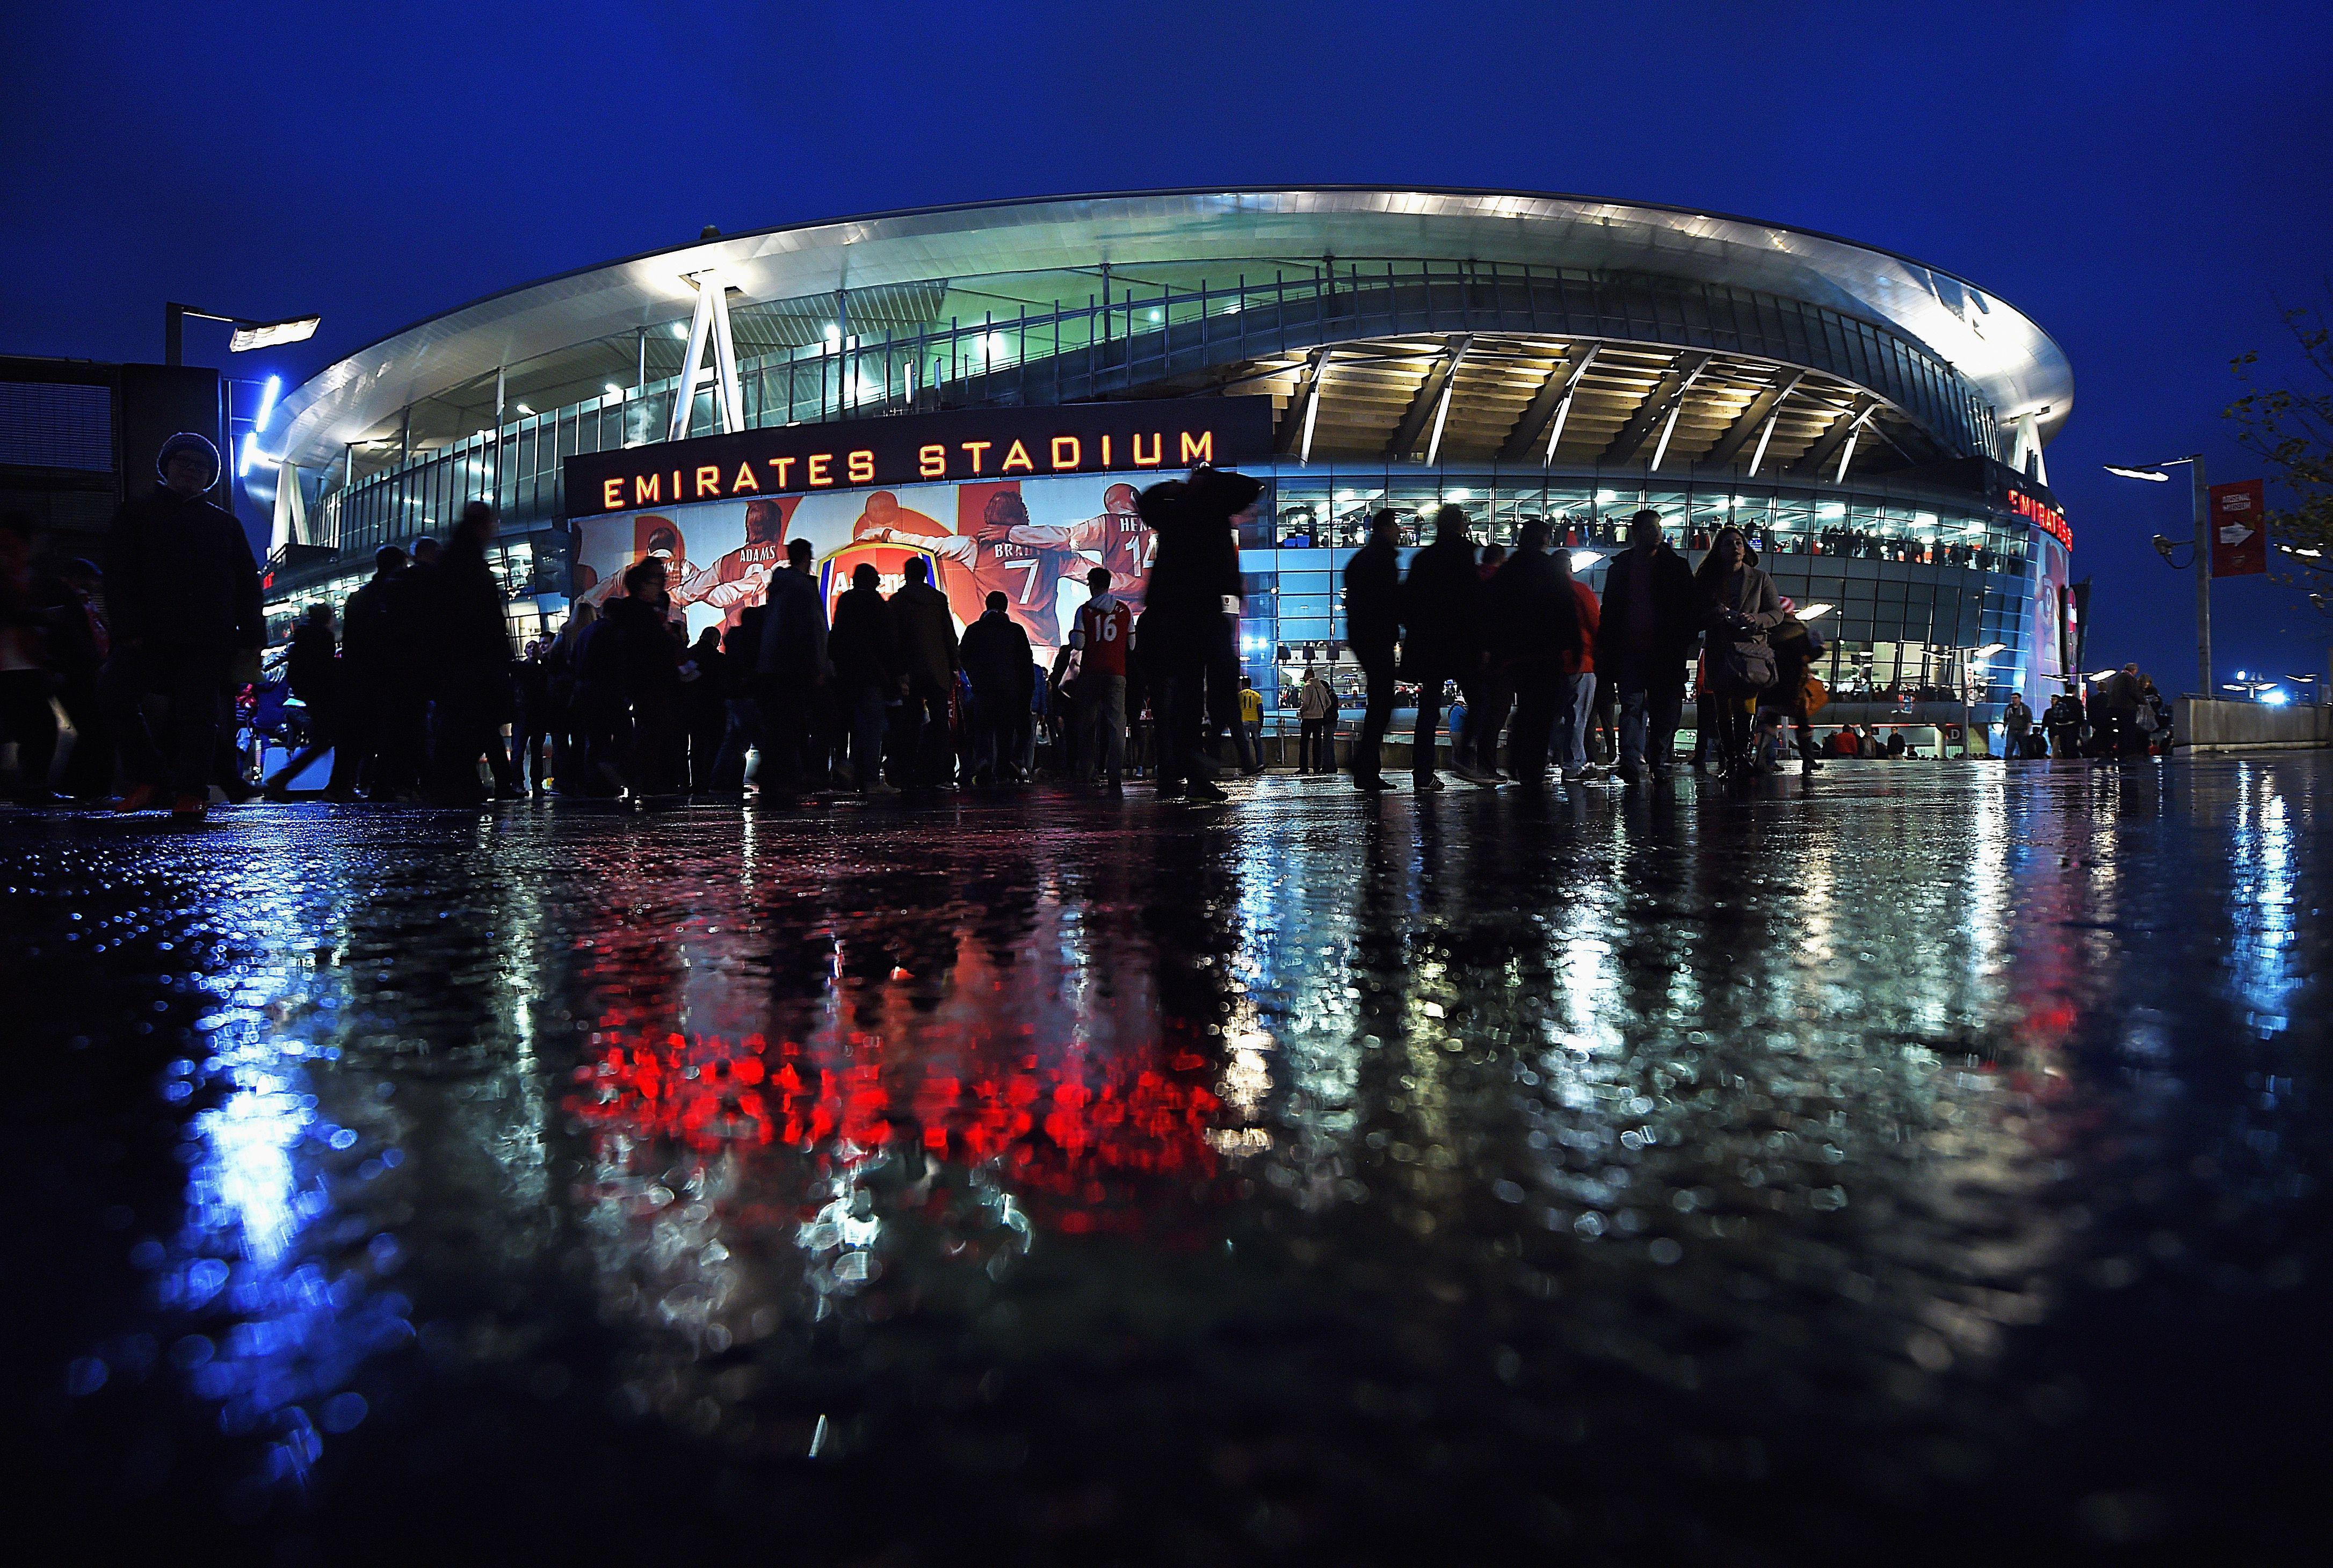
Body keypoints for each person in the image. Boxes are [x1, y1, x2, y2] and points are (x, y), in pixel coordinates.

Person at [102, 433, 264, 820]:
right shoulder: (138, 514)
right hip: (154, 634)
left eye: (201, 466)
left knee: (198, 714)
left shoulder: (223, 524)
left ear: (209, 476)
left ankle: (183, 788)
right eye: (185, 462)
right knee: (115, 693)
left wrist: (250, 641)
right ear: (167, 467)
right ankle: (161, 780)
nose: (192, 470)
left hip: (204, 638)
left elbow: (246, 587)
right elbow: (119, 575)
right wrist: (127, 629)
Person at [1138, 466, 1260, 802]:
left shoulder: (1178, 514)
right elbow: (1250, 489)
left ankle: (1187, 770)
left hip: (1177, 617)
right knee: (1209, 691)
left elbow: (1145, 502)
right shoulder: (1214, 518)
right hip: (1201, 616)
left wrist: (1178, 488)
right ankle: (1196, 769)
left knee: (1183, 698)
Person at [428, 501, 520, 804]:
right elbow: (485, 619)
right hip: (472, 661)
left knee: (464, 724)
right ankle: (456, 784)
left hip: (453, 661)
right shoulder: (470, 564)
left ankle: (456, 783)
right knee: (473, 724)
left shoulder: (451, 560)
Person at [1596, 509, 1698, 783]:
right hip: (1632, 651)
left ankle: (1656, 759)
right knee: (1633, 706)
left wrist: (1683, 641)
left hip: (1663, 652)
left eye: (1658, 528)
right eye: (1650, 528)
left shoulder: (1675, 567)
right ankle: (1633, 760)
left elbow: (1690, 609)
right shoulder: (1622, 569)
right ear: (1636, 533)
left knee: (1662, 709)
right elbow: (1610, 612)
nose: (1656, 533)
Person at [1482, 518, 1580, 789]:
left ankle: (1519, 759)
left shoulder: (1509, 570)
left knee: (1526, 707)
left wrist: (1494, 649)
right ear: (1545, 541)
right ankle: (1532, 765)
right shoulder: (1551, 570)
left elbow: (1493, 612)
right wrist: (1574, 646)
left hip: (1516, 653)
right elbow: (1566, 610)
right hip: (1546, 653)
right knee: (1543, 711)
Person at [1692, 526, 1783, 781]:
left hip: (1749, 650)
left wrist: (1754, 619)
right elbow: (1695, 616)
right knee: (1722, 705)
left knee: (1746, 703)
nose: (1735, 548)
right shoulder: (1707, 580)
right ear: (1718, 550)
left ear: (1745, 548)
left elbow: (1776, 613)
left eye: (1739, 543)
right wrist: (1714, 615)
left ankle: (1741, 755)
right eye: (1729, 544)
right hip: (1719, 648)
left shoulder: (1760, 578)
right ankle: (1731, 757)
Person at [1400, 504, 1480, 793]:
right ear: (1460, 525)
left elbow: (1407, 603)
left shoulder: (1424, 558)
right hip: (1459, 641)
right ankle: (1468, 757)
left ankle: (1423, 773)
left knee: (1428, 710)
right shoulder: (1464, 554)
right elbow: (1471, 601)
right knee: (1480, 698)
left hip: (1430, 643)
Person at [756, 537, 831, 802]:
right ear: (808, 558)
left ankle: (773, 776)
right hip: (796, 666)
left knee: (780, 724)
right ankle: (791, 777)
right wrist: (819, 665)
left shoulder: (778, 588)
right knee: (796, 723)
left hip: (772, 666)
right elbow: (813, 629)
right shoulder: (803, 588)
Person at [828, 561, 903, 795]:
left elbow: (837, 636)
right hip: (871, 675)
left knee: (847, 724)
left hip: (846, 674)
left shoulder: (846, 601)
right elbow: (888, 642)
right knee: (872, 728)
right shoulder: (877, 604)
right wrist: (895, 674)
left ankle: (844, 770)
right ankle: (869, 777)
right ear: (872, 582)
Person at [0, 514, 59, 804]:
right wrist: (39, 617)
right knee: (40, 725)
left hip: (19, 661)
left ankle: (32, 786)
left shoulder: (17, 566)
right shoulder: (12, 563)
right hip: (15, 662)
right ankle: (33, 787)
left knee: (33, 725)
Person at [1342, 509, 1402, 792]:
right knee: (1382, 702)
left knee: (1379, 701)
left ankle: (1366, 767)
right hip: (1375, 637)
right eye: (1396, 527)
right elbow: (1388, 601)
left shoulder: (1364, 559)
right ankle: (1364, 765)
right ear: (1385, 529)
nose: (1400, 532)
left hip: (1366, 636)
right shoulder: (1382, 560)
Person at [889, 554, 960, 790]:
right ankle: (941, 775)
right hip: (938, 671)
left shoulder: (897, 602)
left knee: (909, 724)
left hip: (910, 672)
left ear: (907, 575)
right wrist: (954, 666)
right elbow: (949, 636)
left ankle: (908, 774)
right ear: (926, 575)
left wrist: (899, 672)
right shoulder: (938, 600)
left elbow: (895, 641)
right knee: (940, 724)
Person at [44, 556, 112, 800]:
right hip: (76, 672)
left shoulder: (80, 599)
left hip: (80, 671)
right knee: (93, 728)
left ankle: (79, 786)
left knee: (91, 728)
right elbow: (72, 635)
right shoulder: (65, 596)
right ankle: (79, 786)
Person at [260, 604, 343, 798]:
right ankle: (283, 779)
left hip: (305, 692)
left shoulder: (301, 635)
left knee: (325, 739)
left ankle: (282, 779)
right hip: (320, 693)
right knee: (327, 738)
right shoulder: (323, 636)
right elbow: (325, 667)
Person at [959, 591, 1034, 783]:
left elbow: (963, 657)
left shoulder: (974, 630)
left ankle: (984, 768)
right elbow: (1026, 664)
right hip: (1010, 691)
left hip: (983, 690)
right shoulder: (1016, 631)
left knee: (983, 731)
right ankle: (1003, 771)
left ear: (986, 605)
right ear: (1006, 607)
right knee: (1005, 733)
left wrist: (975, 677)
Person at [1071, 565, 1131, 789]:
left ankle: (1087, 771)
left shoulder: (1084, 611)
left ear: (1093, 586)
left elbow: (1079, 644)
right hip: (1116, 673)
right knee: (1116, 726)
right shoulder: (1124, 611)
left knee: (1088, 725)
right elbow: (1131, 645)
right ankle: (1115, 774)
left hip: (1090, 673)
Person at [1550, 543, 1601, 783]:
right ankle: (1574, 763)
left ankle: (1550, 758)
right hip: (1583, 662)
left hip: (1552, 664)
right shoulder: (1580, 591)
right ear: (1570, 567)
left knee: (1555, 715)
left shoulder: (1547, 594)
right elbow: (1596, 624)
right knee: (1578, 717)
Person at [1296, 664, 1336, 774]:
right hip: (1319, 719)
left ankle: (1304, 768)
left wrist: (1302, 711)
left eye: (1305, 676)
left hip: (1308, 719)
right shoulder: (1321, 687)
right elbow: (1329, 702)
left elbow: (1306, 703)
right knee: (1317, 744)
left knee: (1304, 744)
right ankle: (1317, 768)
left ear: (1308, 676)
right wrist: (1320, 711)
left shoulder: (1307, 686)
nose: (1304, 678)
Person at [2003, 692, 2033, 761]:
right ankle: (2008, 761)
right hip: (2012, 730)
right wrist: (2004, 730)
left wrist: (2028, 731)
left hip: (2022, 730)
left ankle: (2024, 762)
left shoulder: (2025, 708)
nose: (2014, 700)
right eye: (2013, 698)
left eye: (2016, 698)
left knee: (2023, 748)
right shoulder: (2009, 708)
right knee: (2009, 747)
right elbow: (2006, 720)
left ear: (2020, 699)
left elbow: (2029, 720)